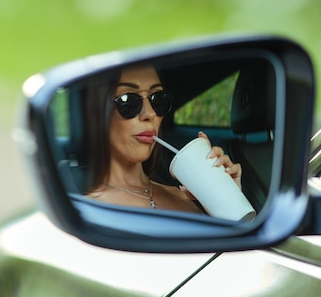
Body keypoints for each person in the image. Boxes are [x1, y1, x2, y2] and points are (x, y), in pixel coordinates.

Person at [84, 64, 242, 214]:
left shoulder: (186, 197)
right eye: (129, 101)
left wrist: (228, 201)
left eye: (158, 99)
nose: (150, 114)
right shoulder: (85, 210)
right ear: (98, 112)